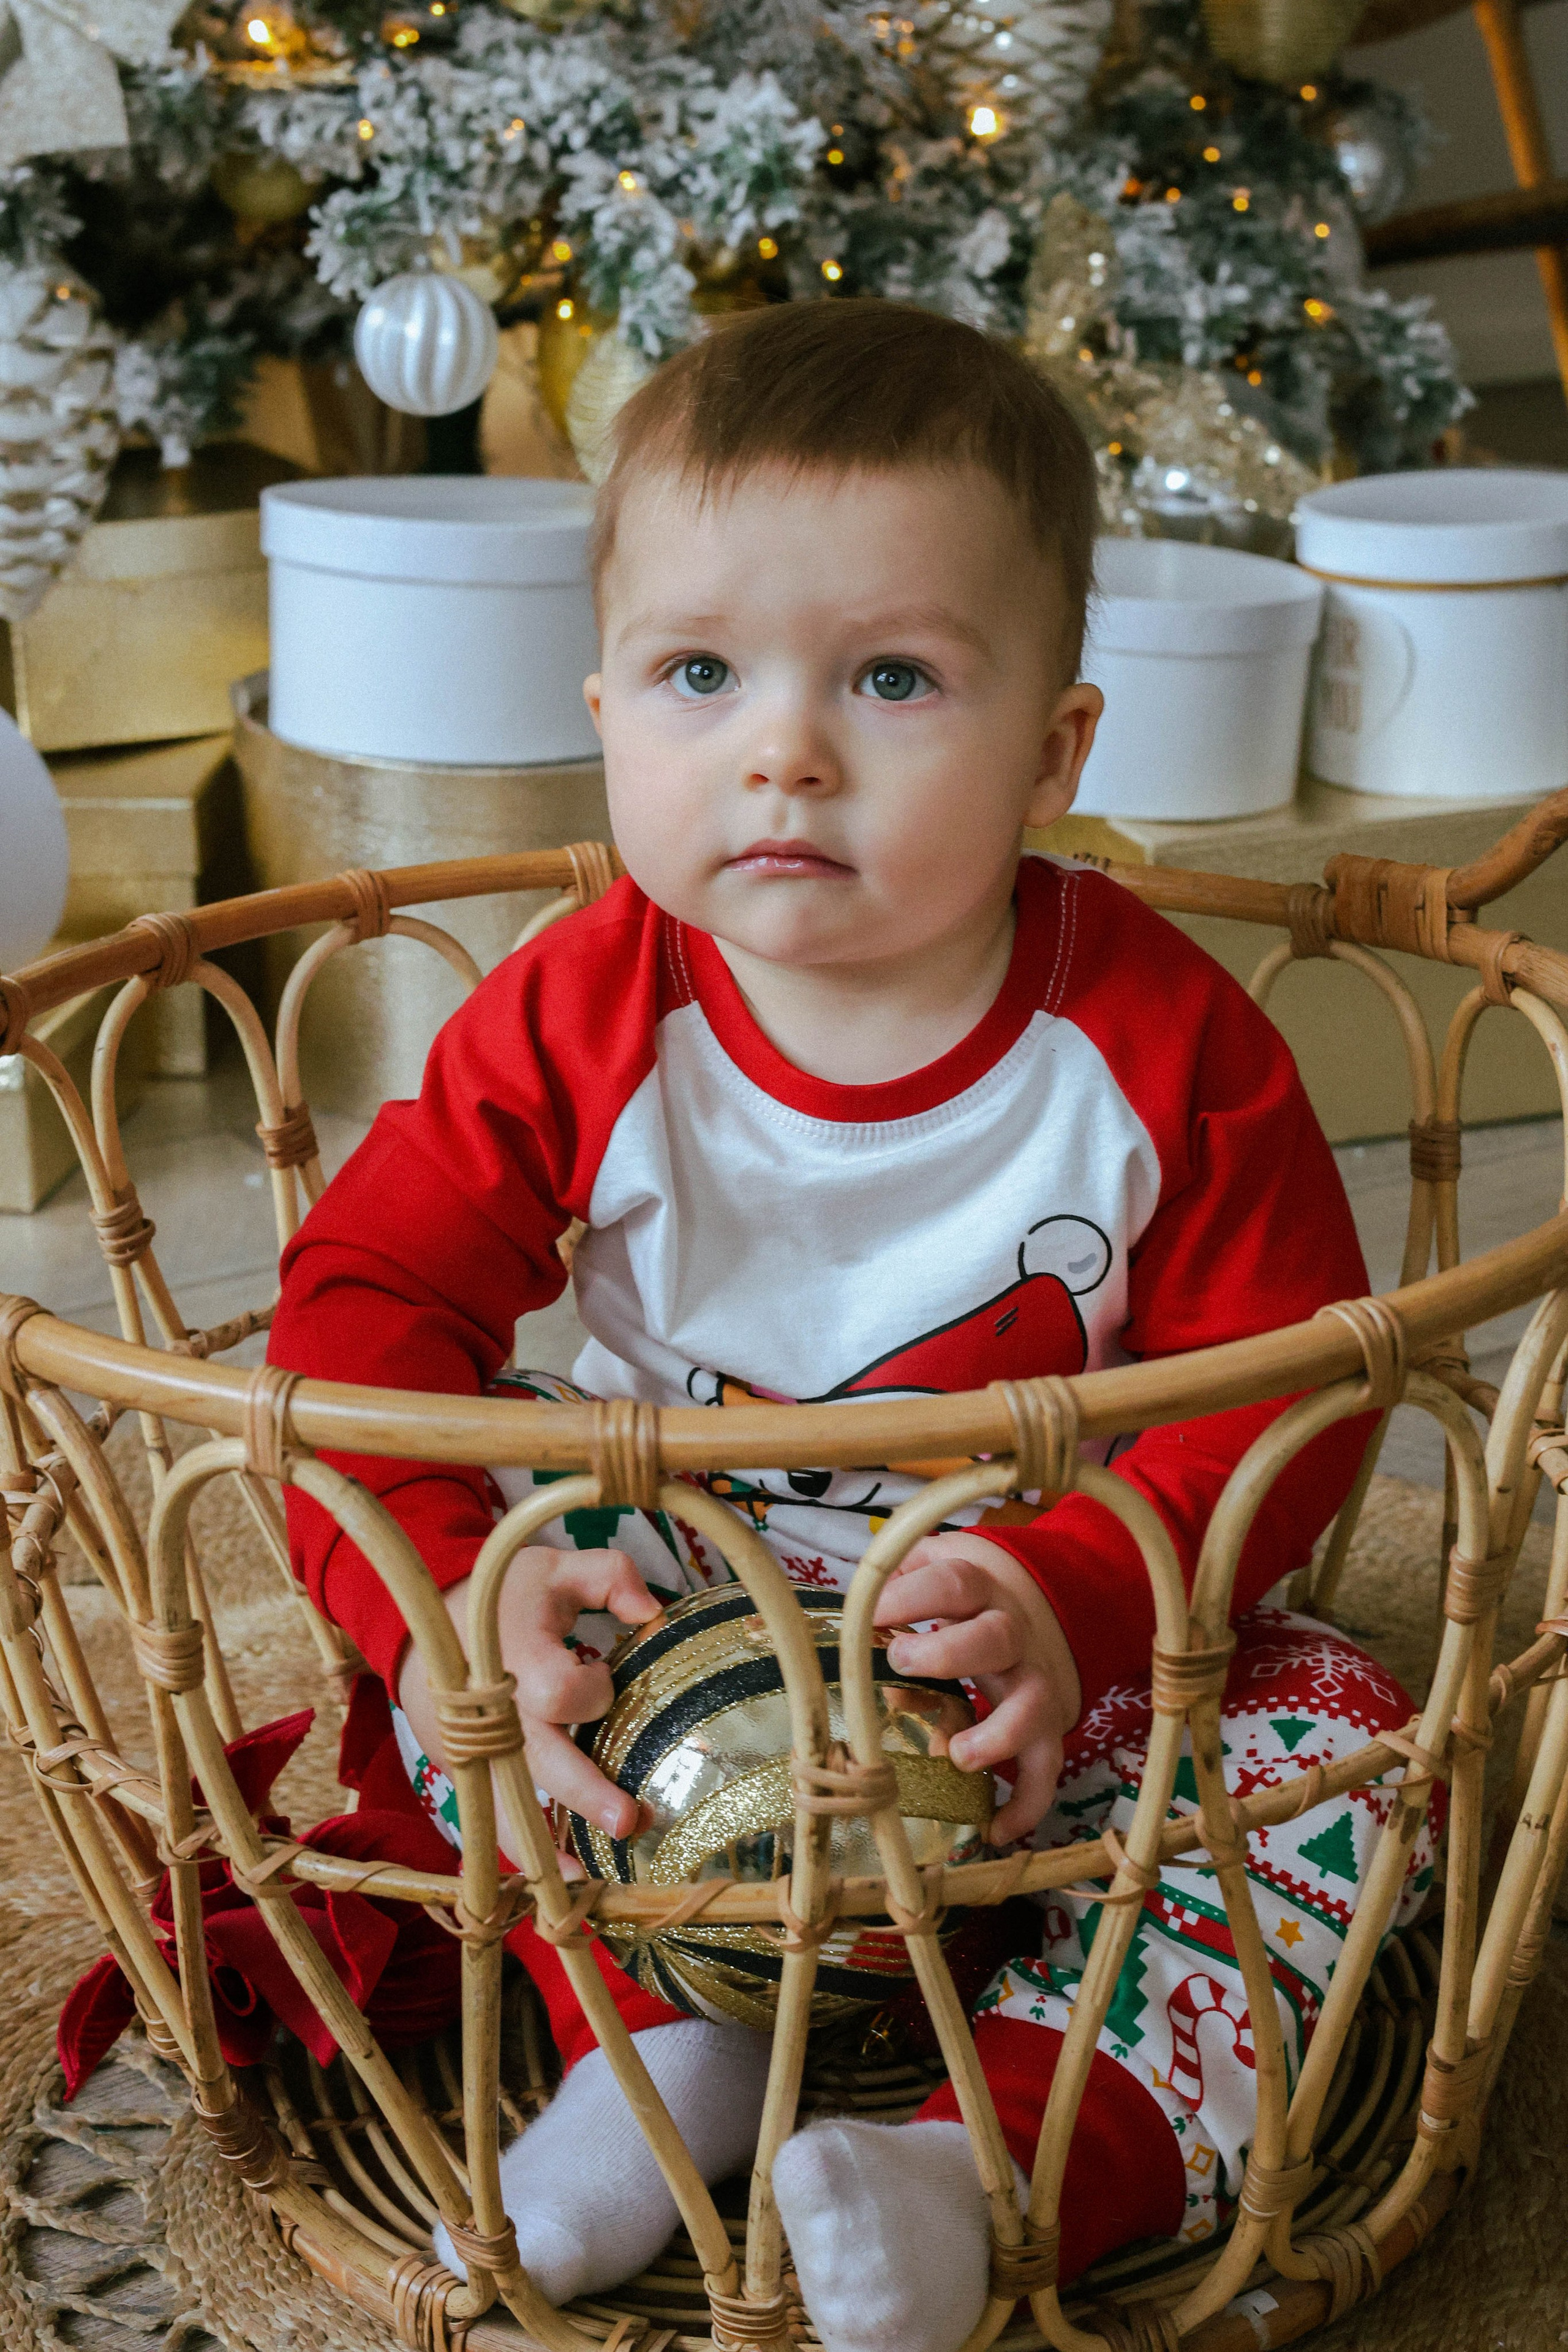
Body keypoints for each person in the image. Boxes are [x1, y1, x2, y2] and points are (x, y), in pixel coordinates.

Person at [268, 300, 1433, 2352]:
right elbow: (363, 1311)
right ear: (609, 711)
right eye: (699, 673)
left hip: (1029, 1666)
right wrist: (465, 1601)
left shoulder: (1152, 1035)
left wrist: (1085, 1586)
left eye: (893, 677)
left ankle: (1013, 2153)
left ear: (1056, 752)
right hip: (671, 1629)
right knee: (482, 1653)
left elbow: (1296, 1385)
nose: (781, 747)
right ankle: (658, 2054)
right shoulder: (586, 1004)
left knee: (1356, 1742)